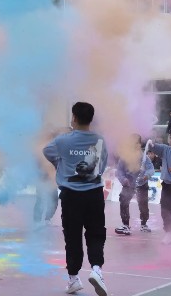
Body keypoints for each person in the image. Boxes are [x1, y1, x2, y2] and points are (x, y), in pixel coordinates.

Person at [43, 102, 108, 296]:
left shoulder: (62, 141)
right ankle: (96, 269)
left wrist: (60, 164)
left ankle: (73, 278)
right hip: (94, 193)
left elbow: (47, 151)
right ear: (91, 119)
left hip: (71, 196)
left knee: (72, 236)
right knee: (96, 233)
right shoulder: (100, 139)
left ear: (74, 118)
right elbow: (102, 164)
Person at [114, 134, 154, 235]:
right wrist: (123, 179)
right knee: (124, 201)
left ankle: (144, 224)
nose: (134, 145)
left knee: (143, 204)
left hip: (142, 184)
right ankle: (125, 225)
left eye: (137, 143)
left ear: (140, 144)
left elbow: (150, 169)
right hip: (128, 185)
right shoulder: (125, 157)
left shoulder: (144, 157)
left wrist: (146, 176)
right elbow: (119, 171)